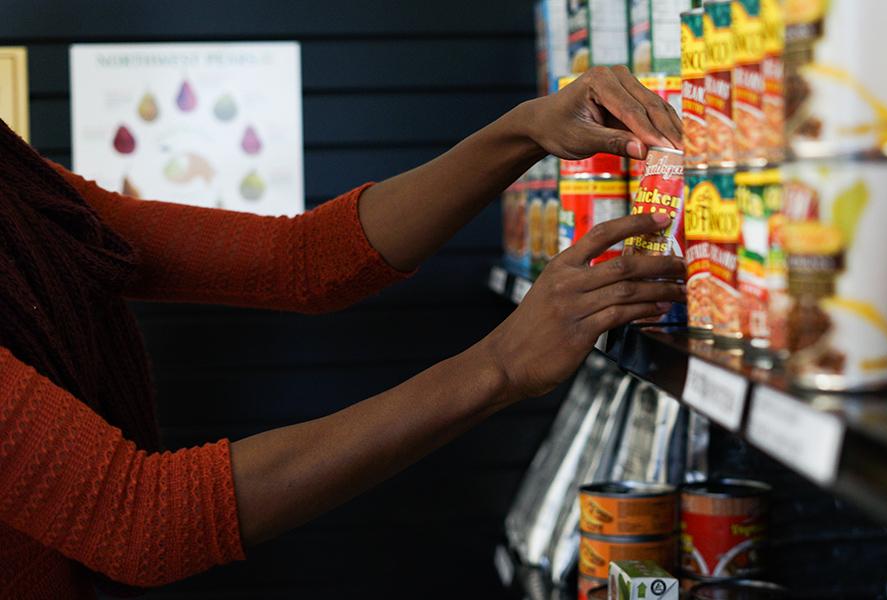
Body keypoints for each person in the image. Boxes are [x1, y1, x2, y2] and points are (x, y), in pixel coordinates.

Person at [0, 65, 685, 597]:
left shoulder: (16, 189)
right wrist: (500, 365)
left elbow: (302, 261)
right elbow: (140, 520)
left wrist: (525, 130)